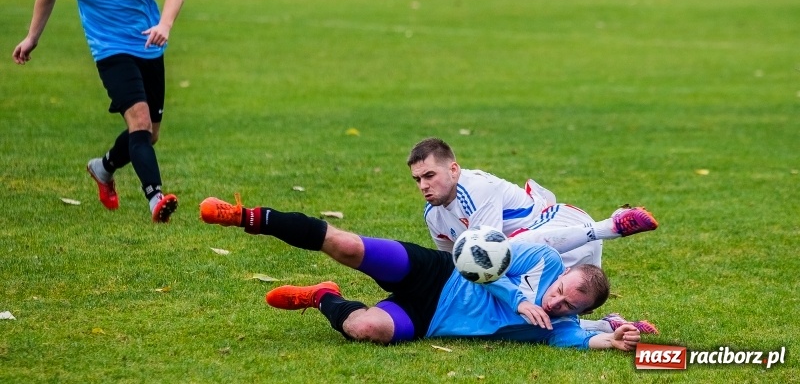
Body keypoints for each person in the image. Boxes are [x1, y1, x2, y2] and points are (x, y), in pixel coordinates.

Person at [198, 195, 641, 350]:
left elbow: (591, 340)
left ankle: (321, 296)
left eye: (567, 305)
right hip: (438, 272)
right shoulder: (543, 260)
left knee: (366, 328)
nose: (556, 302)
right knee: (347, 246)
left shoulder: (559, 328)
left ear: (577, 311)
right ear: (563, 275)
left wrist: (615, 339)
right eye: (560, 291)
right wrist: (520, 299)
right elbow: (484, 263)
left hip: (428, 320)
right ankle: (245, 216)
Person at [12, 0, 185, 222]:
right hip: (110, 53)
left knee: (149, 135)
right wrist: (32, 37)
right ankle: (156, 198)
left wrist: (164, 24)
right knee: (139, 123)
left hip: (149, 47)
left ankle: (103, 167)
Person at [408, 137, 659, 334]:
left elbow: (488, 259)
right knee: (540, 309)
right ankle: (607, 326)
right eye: (417, 179)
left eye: (429, 175)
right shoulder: (433, 215)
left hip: (564, 227)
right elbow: (453, 266)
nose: (423, 186)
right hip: (552, 259)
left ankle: (612, 226)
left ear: (453, 169)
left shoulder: (476, 189)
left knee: (499, 254)